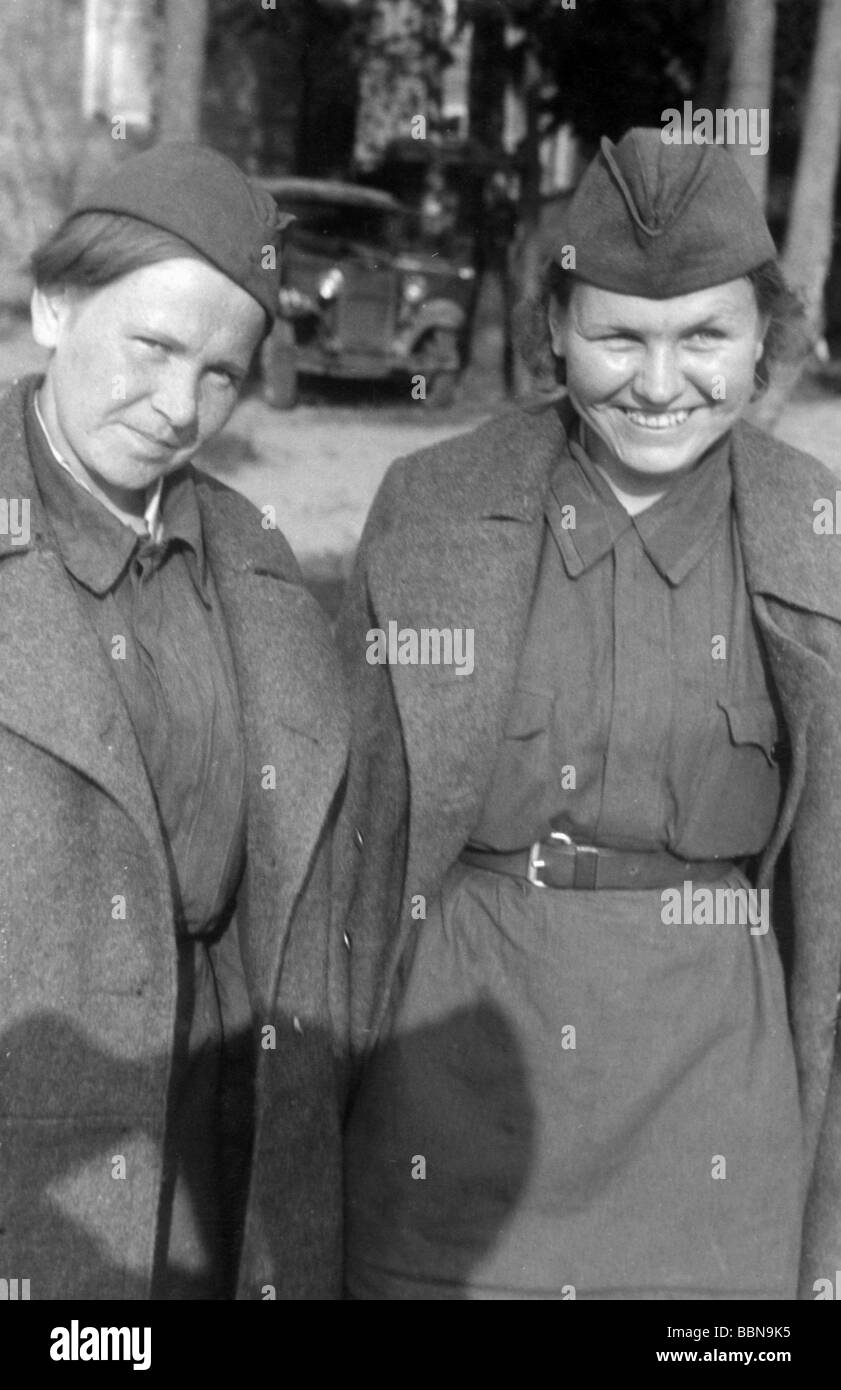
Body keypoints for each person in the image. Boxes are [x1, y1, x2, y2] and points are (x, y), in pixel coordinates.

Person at [337, 128, 841, 1300]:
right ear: (553, 329)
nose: (659, 384)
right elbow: (350, 848)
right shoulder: (431, 509)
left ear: (766, 334)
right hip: (458, 1086)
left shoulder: (820, 534)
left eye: (704, 336)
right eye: (617, 336)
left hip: (714, 1107)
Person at [0, 142, 349, 1300]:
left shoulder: (247, 553)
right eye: (151, 346)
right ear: (55, 304)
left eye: (219, 373)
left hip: (212, 1133)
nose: (176, 407)